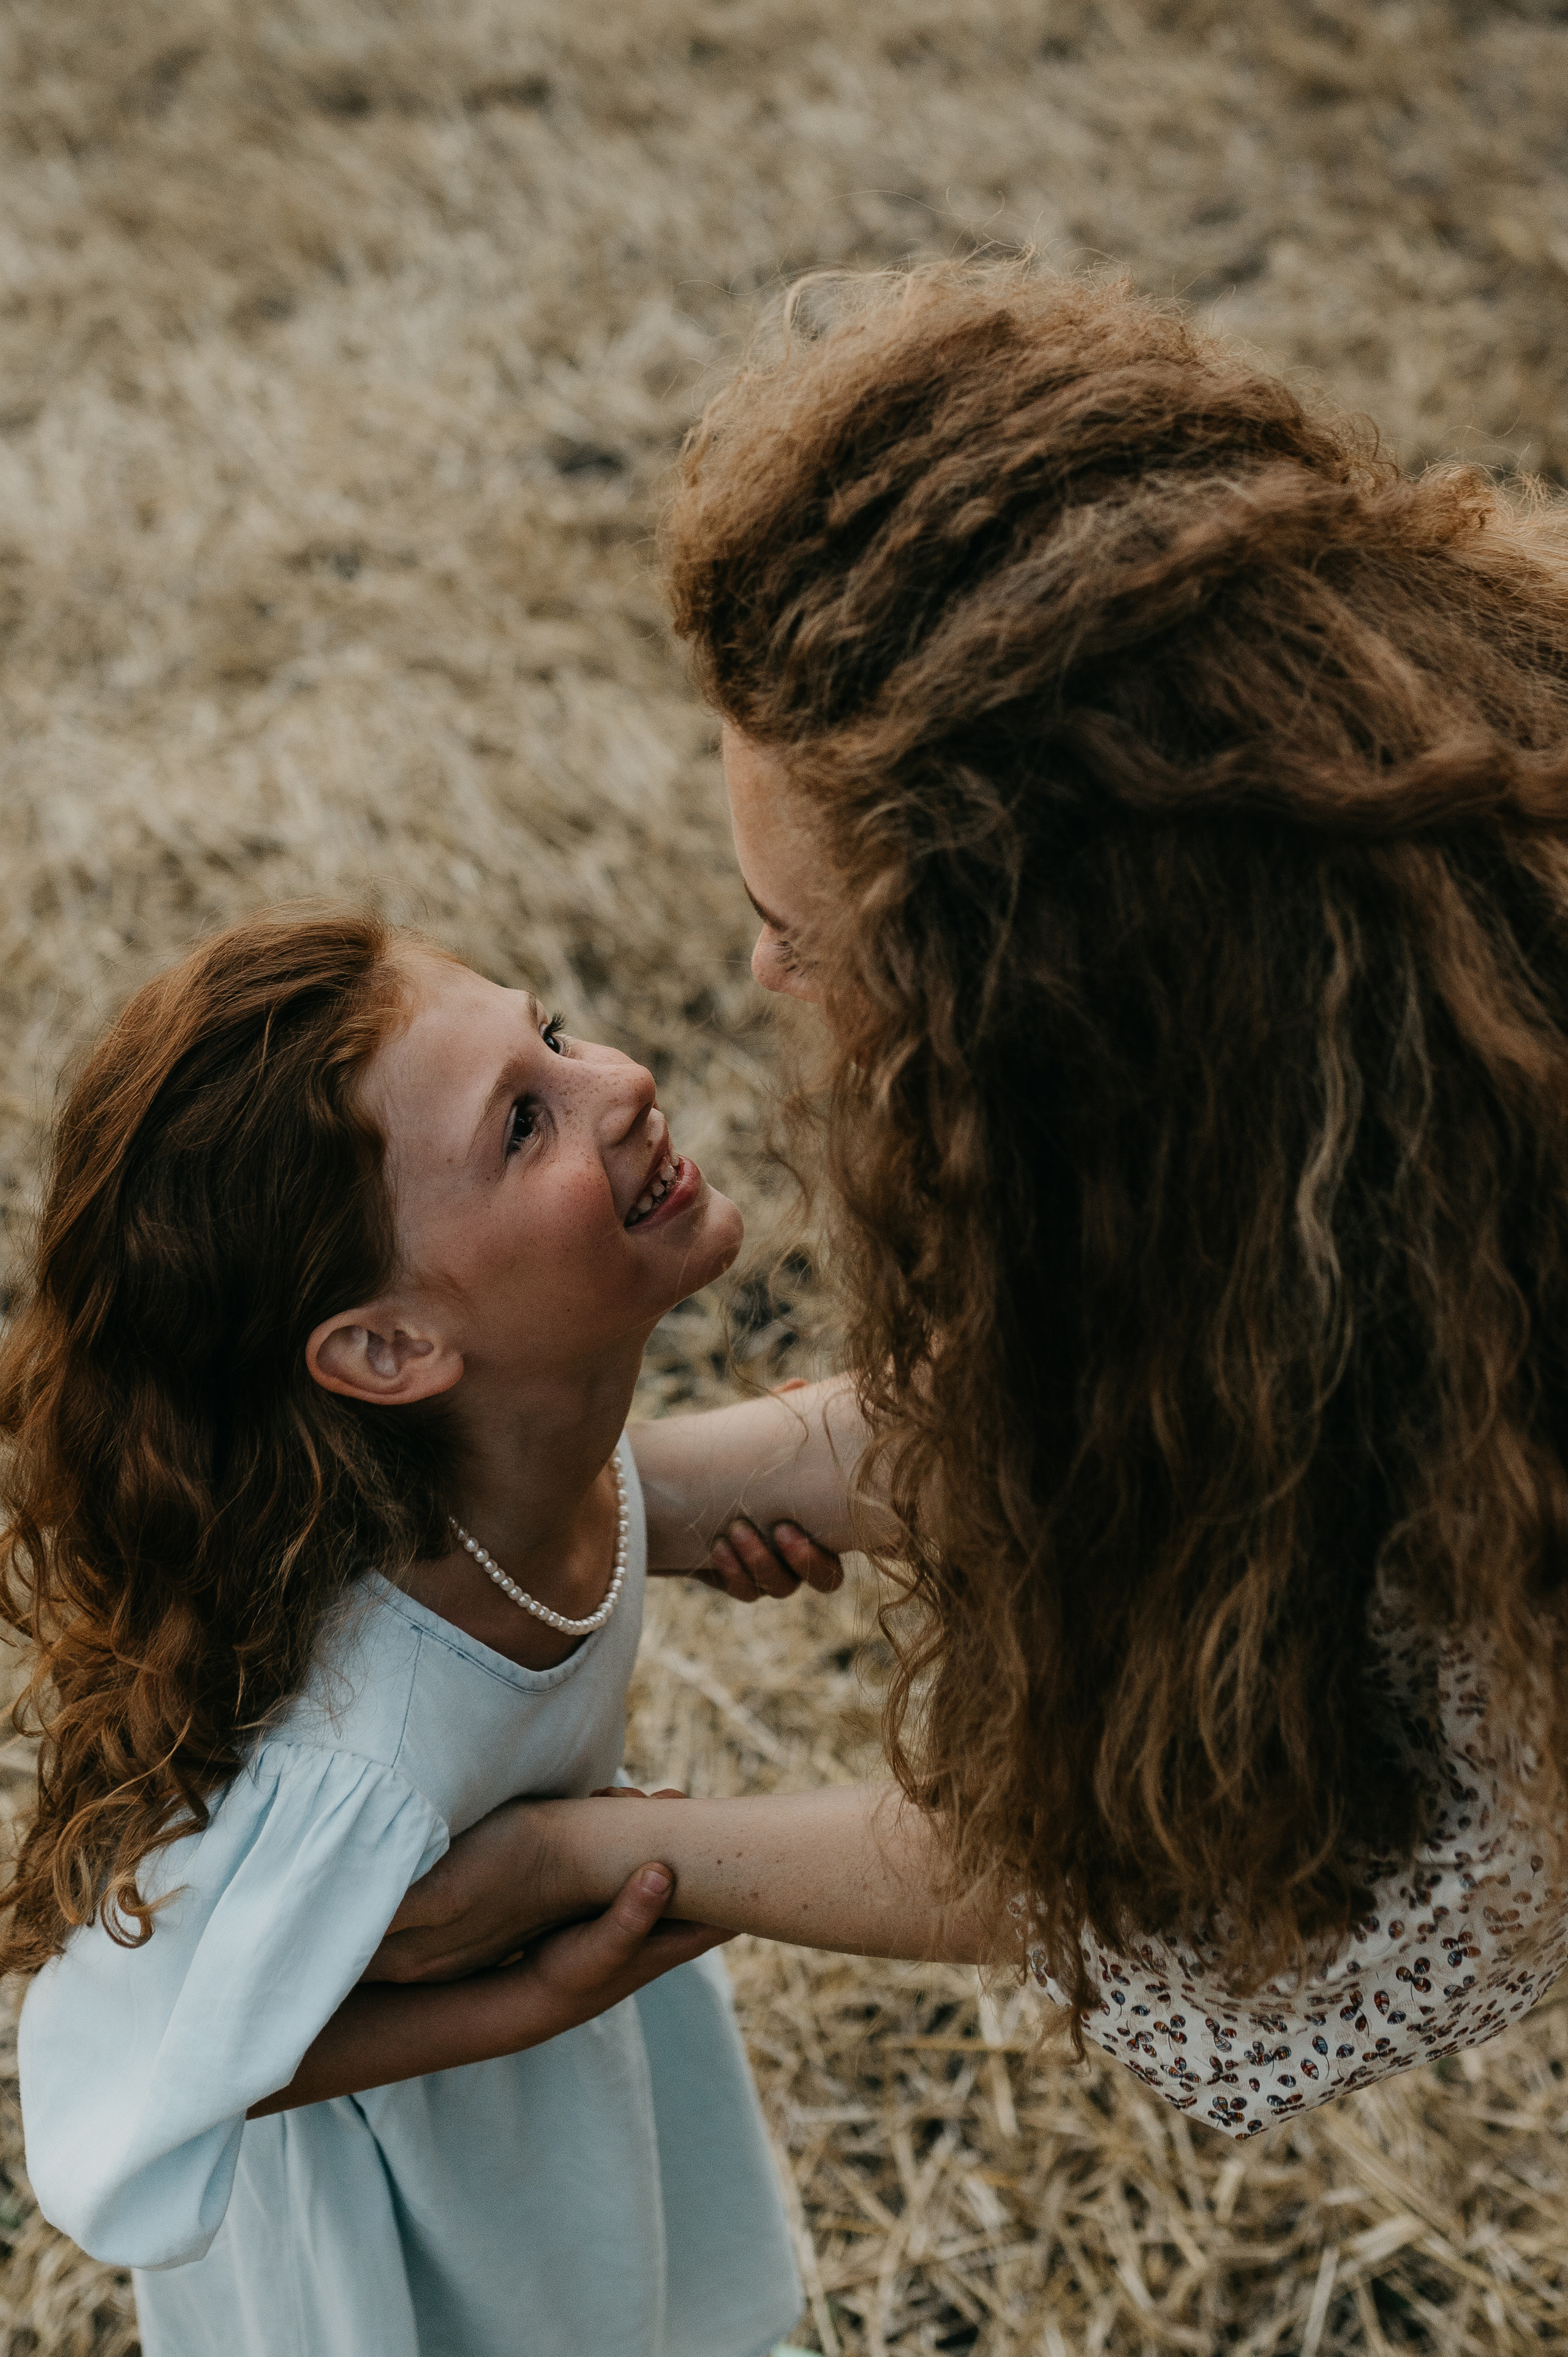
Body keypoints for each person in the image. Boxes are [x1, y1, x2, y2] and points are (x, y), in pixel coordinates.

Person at [365, 262, 1568, 2139]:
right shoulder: (1368, 1046)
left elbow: (1254, 1896)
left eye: (809, 938)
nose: (761, 992)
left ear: (1069, 982)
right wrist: (607, 1494)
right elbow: (1189, 1418)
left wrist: (585, 1859)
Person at [2, 906, 821, 2357]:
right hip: (410, 2241)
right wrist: (523, 2004)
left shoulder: (539, 1481)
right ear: (389, 1347)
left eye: (553, 1038)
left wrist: (690, 1534)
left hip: (556, 2116)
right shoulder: (361, 1752)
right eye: (523, 1122)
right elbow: (126, 2093)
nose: (617, 1081)